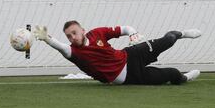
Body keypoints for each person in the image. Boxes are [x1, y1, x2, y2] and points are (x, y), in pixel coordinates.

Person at [33, 20, 201, 85]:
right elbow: (60, 46)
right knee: (172, 74)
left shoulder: (97, 33)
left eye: (74, 33)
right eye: (68, 36)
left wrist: (133, 33)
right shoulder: (73, 52)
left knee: (169, 40)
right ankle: (186, 77)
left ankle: (183, 33)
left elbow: (124, 28)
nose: (72, 38)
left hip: (131, 54)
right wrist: (47, 39)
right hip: (130, 77)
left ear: (83, 30)